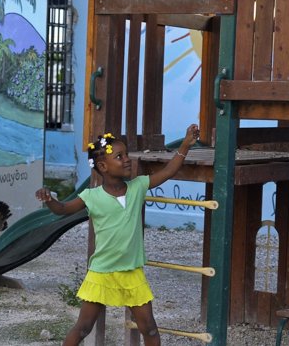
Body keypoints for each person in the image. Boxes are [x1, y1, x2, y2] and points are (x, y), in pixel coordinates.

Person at [35, 123, 200, 346]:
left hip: (132, 272)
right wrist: (50, 200)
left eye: (126, 155)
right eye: (119, 156)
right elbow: (63, 210)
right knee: (82, 328)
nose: (127, 159)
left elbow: (169, 171)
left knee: (150, 329)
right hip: (101, 272)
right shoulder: (91, 196)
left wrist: (185, 144)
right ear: (103, 166)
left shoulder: (138, 186)